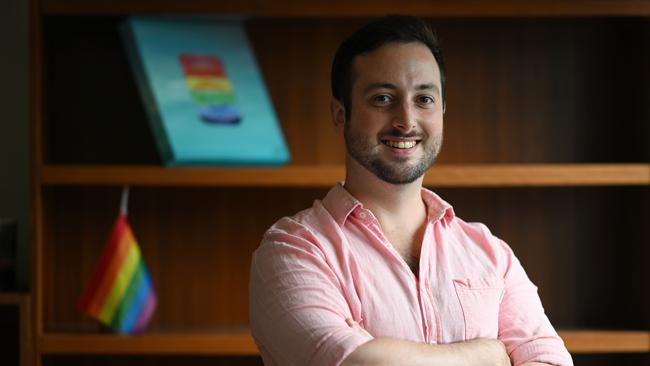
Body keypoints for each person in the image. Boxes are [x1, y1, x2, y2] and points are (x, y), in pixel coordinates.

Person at [249, 15, 573, 366]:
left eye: (424, 99)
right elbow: (353, 363)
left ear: (443, 111)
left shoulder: (491, 254)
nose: (406, 120)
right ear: (341, 114)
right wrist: (489, 353)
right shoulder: (293, 250)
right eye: (383, 98)